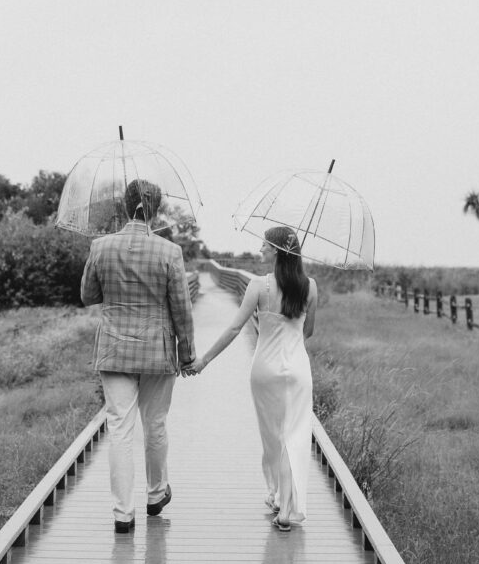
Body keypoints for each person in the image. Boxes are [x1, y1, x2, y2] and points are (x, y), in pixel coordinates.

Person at [80, 178, 196, 534]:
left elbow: (87, 295)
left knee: (119, 429)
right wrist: (187, 352)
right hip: (158, 349)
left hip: (114, 347)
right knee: (156, 423)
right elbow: (181, 308)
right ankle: (156, 494)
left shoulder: (101, 246)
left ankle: (122, 513)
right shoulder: (169, 252)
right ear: (156, 209)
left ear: (124, 206)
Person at [195, 227, 317, 531]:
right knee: (294, 436)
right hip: (298, 370)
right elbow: (308, 332)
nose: (260, 248)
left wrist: (204, 361)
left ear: (275, 250)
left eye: (264, 244)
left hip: (265, 369)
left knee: (273, 436)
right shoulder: (310, 287)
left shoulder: (259, 286)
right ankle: (286, 506)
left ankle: (278, 496)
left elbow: (235, 329)